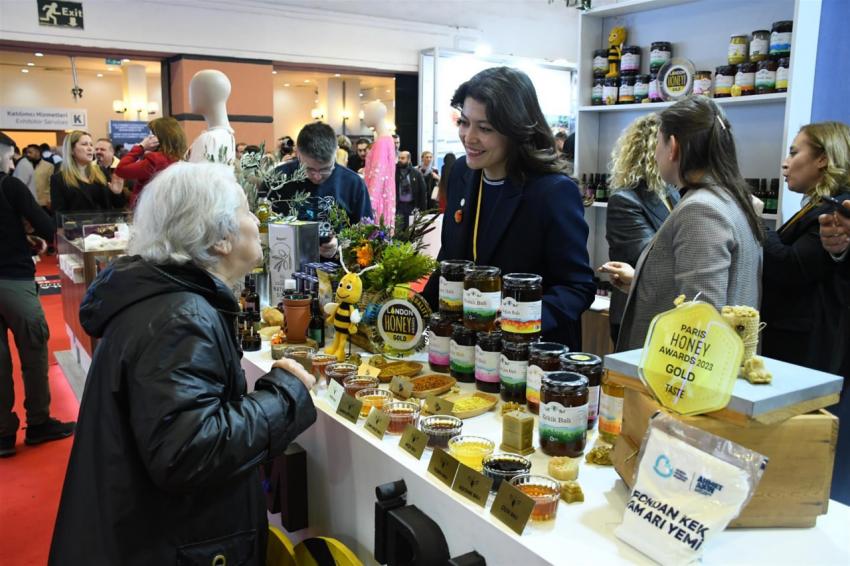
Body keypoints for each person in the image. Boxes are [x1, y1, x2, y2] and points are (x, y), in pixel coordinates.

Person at [49, 161, 318, 564]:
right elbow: (188, 452)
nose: (256, 221)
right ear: (220, 238)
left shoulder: (168, 301)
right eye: (246, 211)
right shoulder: (180, 317)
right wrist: (284, 396)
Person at [422, 67, 595, 350]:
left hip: (528, 356)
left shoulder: (552, 191)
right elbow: (449, 261)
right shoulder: (462, 173)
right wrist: (414, 312)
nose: (469, 137)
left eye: (485, 128)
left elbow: (577, 287)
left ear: (516, 130)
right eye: (464, 122)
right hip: (465, 350)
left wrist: (521, 318)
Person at [602, 96, 764, 352]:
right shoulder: (732, 199)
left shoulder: (701, 209)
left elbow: (699, 319)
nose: (655, 154)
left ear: (673, 147)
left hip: (679, 370)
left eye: (658, 143)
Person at [0, 132, 74, 458]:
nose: (13, 162)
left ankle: (3, 433)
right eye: (10, 156)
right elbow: (45, 224)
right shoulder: (10, 186)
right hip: (13, 280)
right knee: (33, 352)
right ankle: (39, 422)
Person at [761, 122, 850, 372]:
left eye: (794, 152)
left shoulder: (834, 210)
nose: (785, 163)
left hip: (805, 348)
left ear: (822, 159)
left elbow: (790, 266)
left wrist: (756, 222)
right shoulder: (816, 206)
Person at [605, 114, 680, 345]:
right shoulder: (625, 200)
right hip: (637, 314)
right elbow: (648, 258)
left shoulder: (672, 193)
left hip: (664, 313)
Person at [266, 123, 373, 259]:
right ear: (298, 153)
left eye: (325, 169)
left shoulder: (353, 183)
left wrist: (339, 244)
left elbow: (366, 233)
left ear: (336, 153)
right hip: (285, 261)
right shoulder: (279, 179)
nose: (317, 176)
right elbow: (263, 227)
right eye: (309, 169)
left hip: (338, 267)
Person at [50, 131, 125, 219]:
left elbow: (118, 205)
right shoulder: (59, 179)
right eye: (84, 144)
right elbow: (58, 214)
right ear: (71, 150)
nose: (90, 149)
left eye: (91, 145)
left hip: (105, 226)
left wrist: (117, 193)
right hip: (78, 227)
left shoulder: (101, 171)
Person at [116, 116, 186, 206]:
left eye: (152, 134)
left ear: (160, 138)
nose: (149, 138)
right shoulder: (181, 158)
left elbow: (121, 169)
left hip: (148, 208)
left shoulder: (155, 159)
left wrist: (141, 146)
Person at [14, 144, 55, 209]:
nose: (28, 154)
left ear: (38, 153)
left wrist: (50, 200)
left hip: (43, 202)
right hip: (28, 202)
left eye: (30, 152)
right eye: (27, 152)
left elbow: (51, 184)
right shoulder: (25, 166)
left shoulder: (49, 166)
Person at [395, 150, 428, 230]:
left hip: (412, 206)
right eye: (399, 158)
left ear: (409, 160)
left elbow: (423, 192)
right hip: (399, 206)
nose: (400, 160)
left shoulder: (416, 173)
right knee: (398, 230)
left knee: (411, 231)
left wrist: (423, 211)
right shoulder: (394, 173)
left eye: (403, 158)